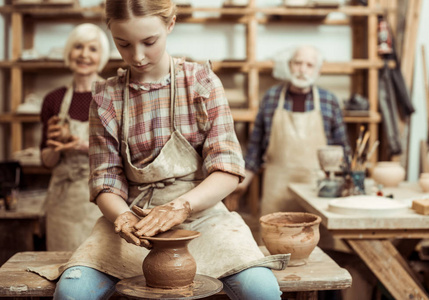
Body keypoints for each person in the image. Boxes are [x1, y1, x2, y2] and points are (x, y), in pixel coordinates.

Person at [29, 1, 289, 299]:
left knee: (262, 290)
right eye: (123, 44)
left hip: (203, 216)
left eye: (149, 42)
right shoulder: (106, 96)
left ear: (170, 25)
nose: (137, 56)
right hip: (134, 219)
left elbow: (228, 169)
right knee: (72, 290)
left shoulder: (201, 83)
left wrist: (180, 207)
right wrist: (122, 217)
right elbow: (106, 180)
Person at [227, 45, 351, 216]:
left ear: (318, 71)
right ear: (289, 65)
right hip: (277, 187)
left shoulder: (329, 101)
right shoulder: (271, 98)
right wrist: (241, 184)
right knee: (274, 237)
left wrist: (349, 183)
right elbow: (255, 149)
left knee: (318, 239)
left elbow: (341, 149)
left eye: (309, 65)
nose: (302, 70)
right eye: (297, 63)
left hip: (317, 190)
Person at [40, 23, 109, 251]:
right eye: (78, 47)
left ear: (102, 56)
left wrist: (81, 145)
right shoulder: (53, 100)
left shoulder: (111, 96)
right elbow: (47, 161)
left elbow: (125, 154)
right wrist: (54, 148)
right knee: (61, 266)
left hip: (102, 197)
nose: (84, 55)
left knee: (100, 264)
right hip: (62, 200)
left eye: (92, 49)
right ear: (69, 51)